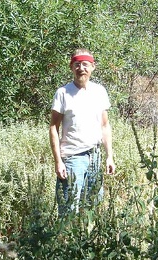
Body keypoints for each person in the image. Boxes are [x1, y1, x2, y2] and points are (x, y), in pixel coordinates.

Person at [49, 48, 116, 215]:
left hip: (95, 156)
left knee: (93, 208)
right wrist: (58, 161)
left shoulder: (99, 91)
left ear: (93, 67)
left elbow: (105, 125)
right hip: (72, 159)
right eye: (77, 64)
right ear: (71, 67)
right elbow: (53, 128)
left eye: (85, 64)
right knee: (68, 210)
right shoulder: (62, 93)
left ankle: (89, 241)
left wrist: (109, 157)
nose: (81, 68)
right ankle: (65, 241)